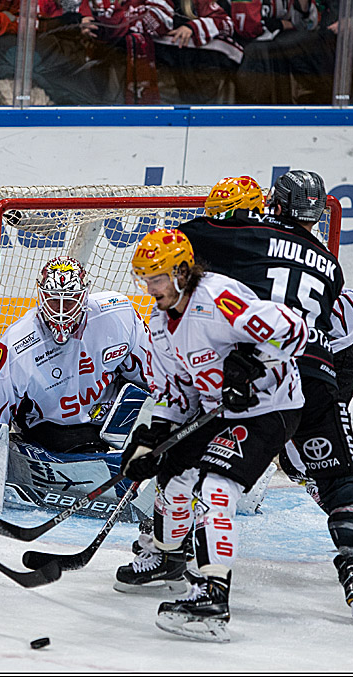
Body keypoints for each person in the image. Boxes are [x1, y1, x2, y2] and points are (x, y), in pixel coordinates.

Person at [174, 173, 353, 623]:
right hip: (320, 376)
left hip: (264, 373)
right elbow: (351, 347)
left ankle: (200, 576)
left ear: (274, 207)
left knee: (213, 474)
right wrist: (328, 407)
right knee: (339, 476)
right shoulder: (329, 264)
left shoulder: (249, 235)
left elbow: (186, 240)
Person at [117, 228, 309, 642]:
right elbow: (176, 391)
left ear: (183, 271)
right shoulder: (160, 322)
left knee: (216, 488)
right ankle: (169, 556)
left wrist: (252, 358)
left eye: (158, 278)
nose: (151, 288)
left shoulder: (218, 297)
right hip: (217, 413)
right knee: (173, 475)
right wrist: (152, 437)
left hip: (271, 408)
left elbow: (296, 330)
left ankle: (211, 596)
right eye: (146, 279)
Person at [0, 256, 150, 454]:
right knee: (83, 449)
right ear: (41, 297)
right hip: (54, 426)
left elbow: (158, 371)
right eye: (53, 300)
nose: (61, 310)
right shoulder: (18, 343)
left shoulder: (117, 316)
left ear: (84, 296)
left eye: (69, 300)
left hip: (113, 415)